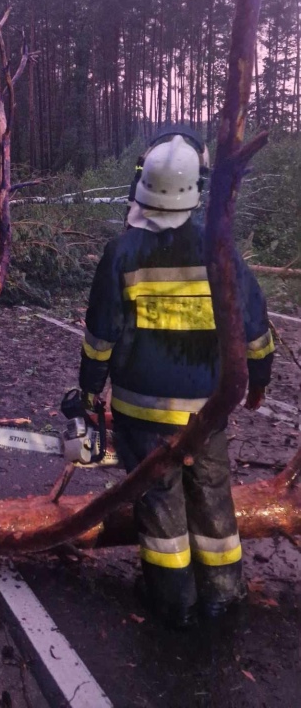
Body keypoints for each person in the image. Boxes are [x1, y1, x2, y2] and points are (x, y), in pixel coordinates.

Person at [76, 130, 274, 628]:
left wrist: (88, 388)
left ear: (142, 185)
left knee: (160, 502)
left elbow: (100, 333)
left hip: (142, 413)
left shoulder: (121, 252)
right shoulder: (218, 248)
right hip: (207, 411)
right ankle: (223, 596)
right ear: (197, 188)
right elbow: (254, 324)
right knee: (212, 498)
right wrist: (259, 381)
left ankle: (172, 599)